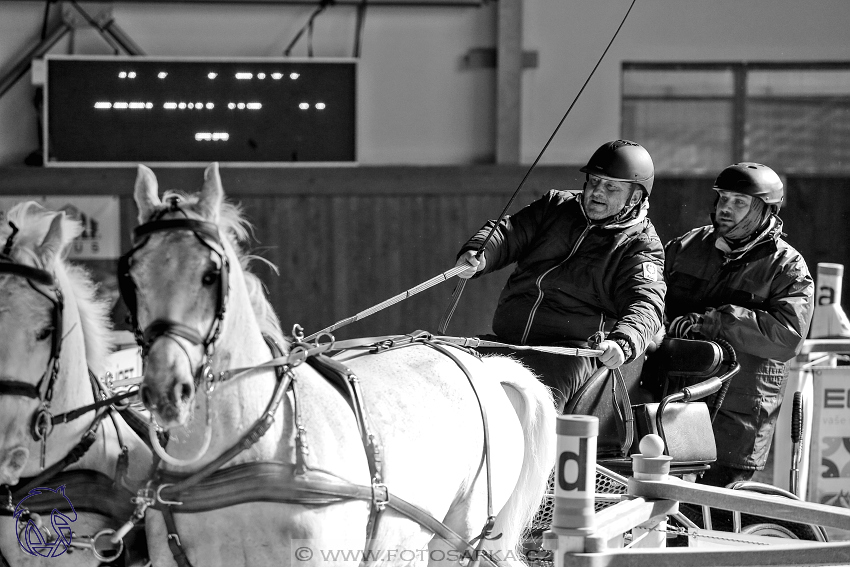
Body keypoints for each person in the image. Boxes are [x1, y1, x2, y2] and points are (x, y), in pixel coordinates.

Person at [455, 139, 666, 413]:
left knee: (529, 409)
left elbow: (647, 304)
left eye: (611, 187)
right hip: (509, 340)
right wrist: (480, 253)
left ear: (635, 198)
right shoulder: (555, 206)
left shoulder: (641, 245)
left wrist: (623, 341)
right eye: (593, 181)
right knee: (453, 380)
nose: (596, 192)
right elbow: (509, 232)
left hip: (568, 354)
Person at [664, 162, 814, 487]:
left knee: (719, 518)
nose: (725, 210)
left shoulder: (788, 267)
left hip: (737, 414)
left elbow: (786, 337)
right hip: (675, 399)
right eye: (723, 199)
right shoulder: (686, 246)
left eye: (739, 203)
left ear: (765, 211)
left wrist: (715, 322)